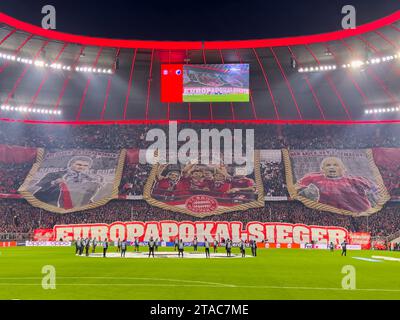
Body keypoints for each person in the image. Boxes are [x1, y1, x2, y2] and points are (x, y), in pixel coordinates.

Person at [296, 157, 380, 213]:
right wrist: (304, 193)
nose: (331, 167)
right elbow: (296, 189)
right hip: (326, 213)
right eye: (328, 165)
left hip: (359, 214)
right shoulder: (312, 177)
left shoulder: (356, 180)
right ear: (322, 169)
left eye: (335, 165)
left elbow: (376, 190)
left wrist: (373, 197)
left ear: (343, 169)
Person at [30, 156, 103, 209]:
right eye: (79, 164)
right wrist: (54, 182)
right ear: (71, 164)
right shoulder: (55, 174)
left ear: (88, 167)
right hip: (53, 202)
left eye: (85, 165)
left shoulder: (90, 178)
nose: (81, 167)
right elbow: (40, 185)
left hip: (77, 203)